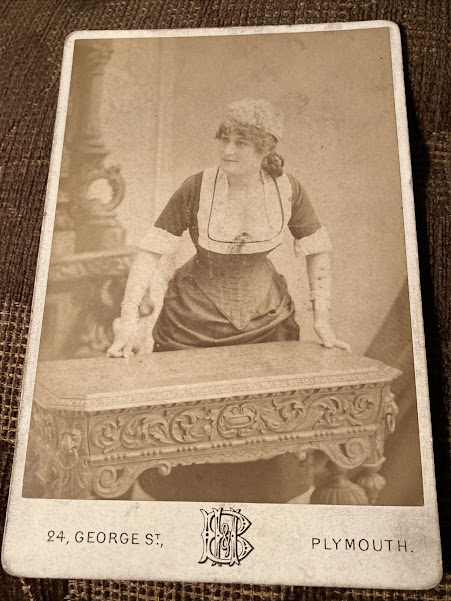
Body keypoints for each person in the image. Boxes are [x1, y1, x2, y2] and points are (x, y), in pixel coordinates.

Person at [107, 98, 350, 359]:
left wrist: (322, 320)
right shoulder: (197, 187)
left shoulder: (287, 190)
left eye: (240, 143)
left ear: (264, 149)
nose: (228, 151)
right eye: (224, 139)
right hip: (192, 321)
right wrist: (128, 321)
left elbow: (317, 249)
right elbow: (150, 253)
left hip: (268, 319)